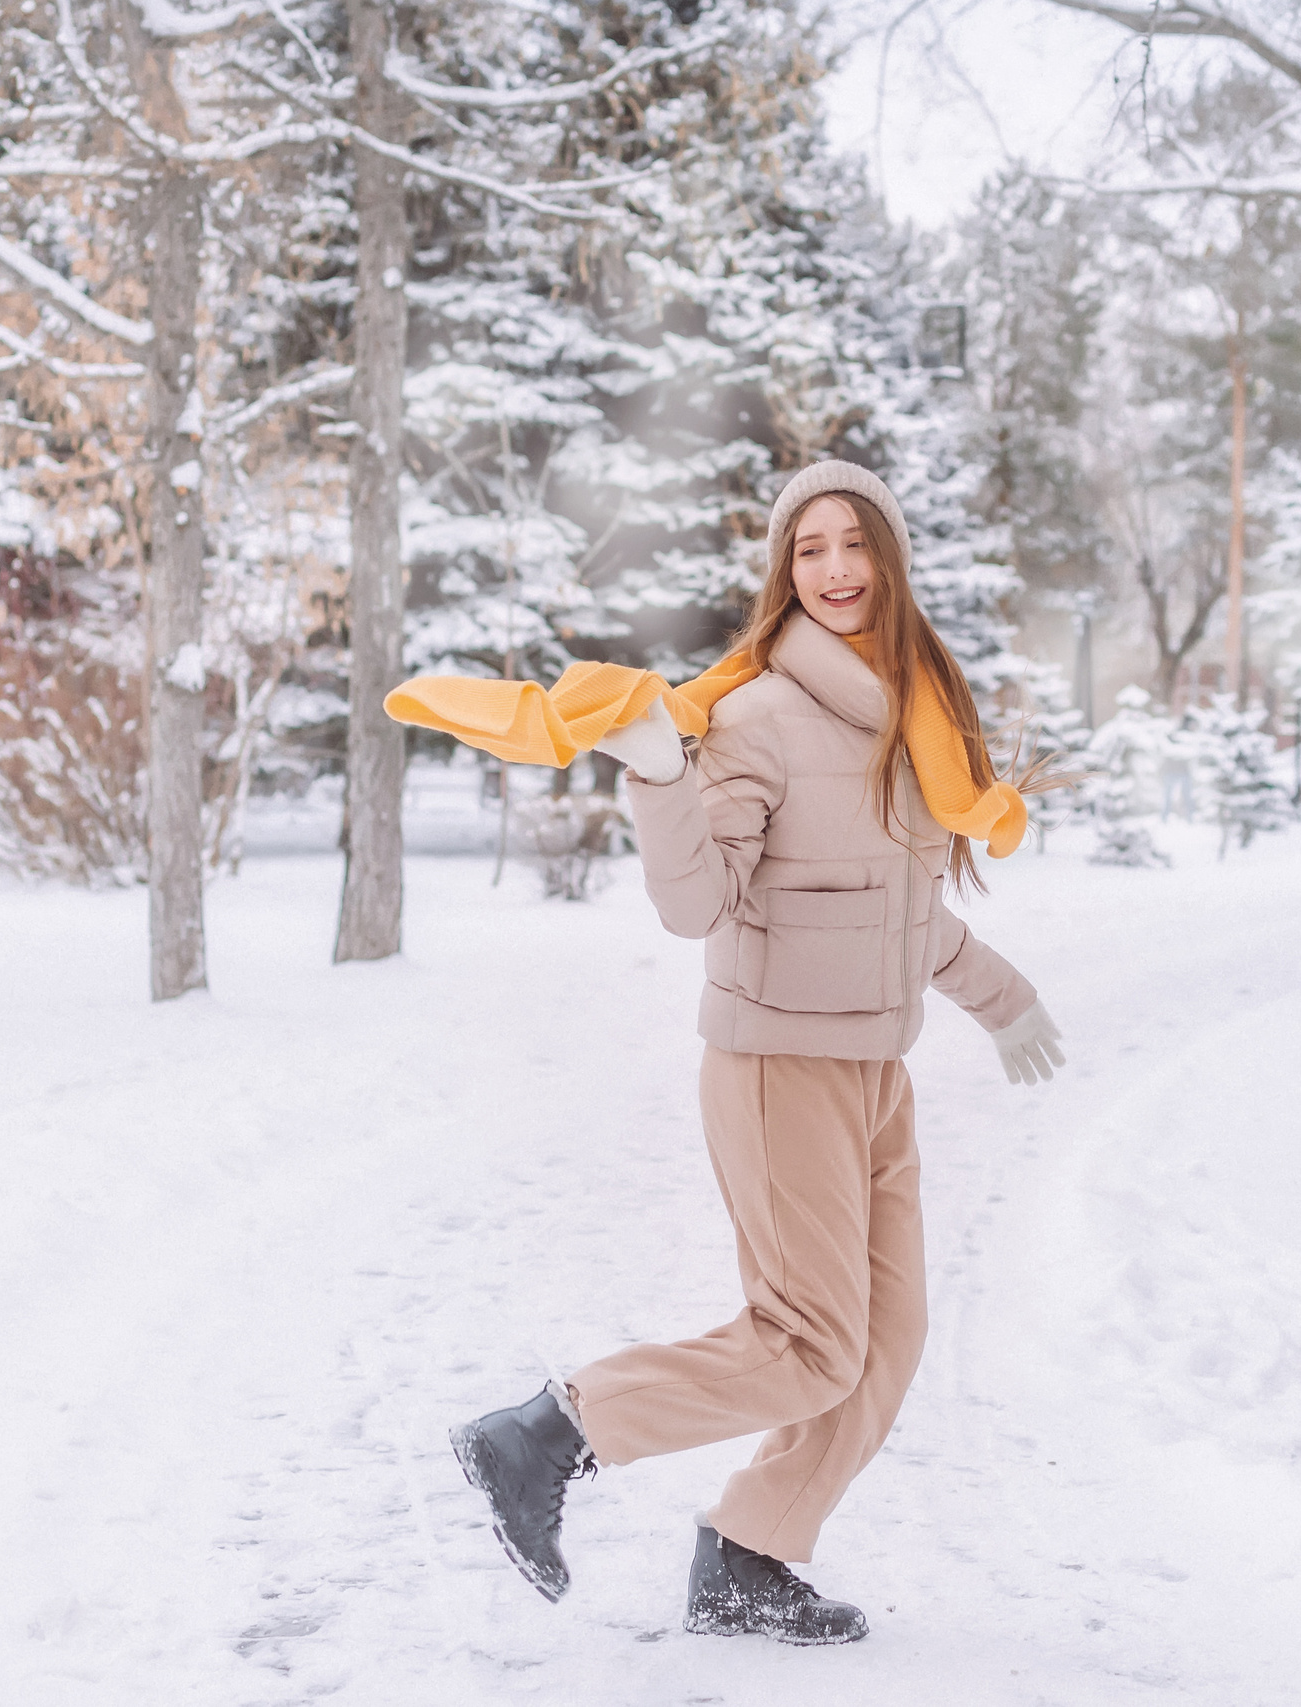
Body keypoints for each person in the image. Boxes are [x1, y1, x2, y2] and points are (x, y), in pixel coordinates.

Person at [448, 461, 1067, 1647]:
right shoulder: (753, 719)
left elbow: (892, 913)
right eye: (807, 550)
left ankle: (748, 1553)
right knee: (808, 1344)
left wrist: (1004, 999)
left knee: (885, 1344)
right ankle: (545, 1434)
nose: (833, 570)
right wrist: (659, 774)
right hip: (780, 1065)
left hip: (874, 1069)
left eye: (853, 545)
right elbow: (696, 905)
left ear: (888, 555)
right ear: (782, 571)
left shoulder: (914, 718)